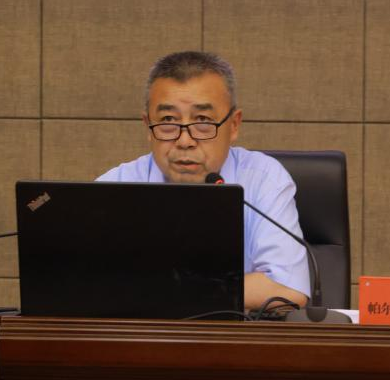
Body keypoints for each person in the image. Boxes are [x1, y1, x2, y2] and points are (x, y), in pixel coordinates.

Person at [97, 51, 310, 309]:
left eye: (203, 121)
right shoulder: (114, 188)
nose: (185, 140)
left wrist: (167, 290)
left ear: (234, 125)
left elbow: (288, 289)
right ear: (147, 126)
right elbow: (84, 282)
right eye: (168, 121)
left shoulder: (263, 179)